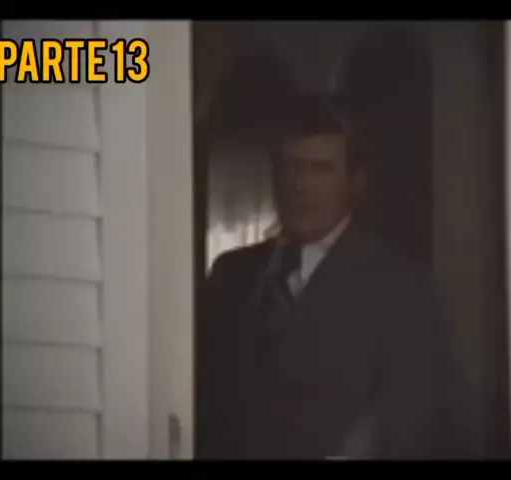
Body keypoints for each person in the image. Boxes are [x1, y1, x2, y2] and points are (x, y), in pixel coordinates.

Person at [197, 94, 476, 459]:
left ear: (355, 181)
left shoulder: (401, 287)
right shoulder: (231, 274)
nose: (300, 184)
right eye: (289, 166)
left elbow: (425, 427)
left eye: (320, 169)